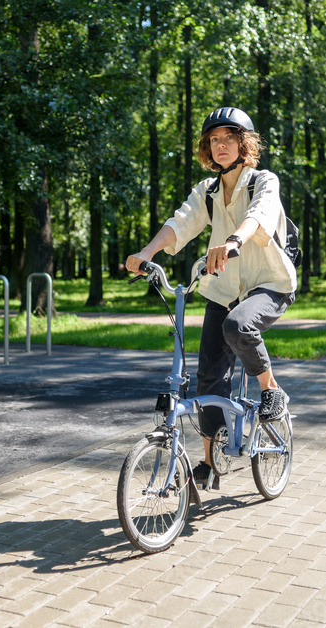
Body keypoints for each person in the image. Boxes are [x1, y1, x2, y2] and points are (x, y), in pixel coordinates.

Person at [125, 106, 297, 481]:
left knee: (238, 326)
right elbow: (180, 223)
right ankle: (209, 460)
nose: (220, 145)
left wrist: (234, 240)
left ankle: (271, 390)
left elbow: (259, 215)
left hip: (268, 283)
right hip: (222, 288)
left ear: (244, 143)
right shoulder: (207, 191)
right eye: (214, 140)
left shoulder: (263, 181)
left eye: (229, 138)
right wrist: (147, 253)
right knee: (207, 377)